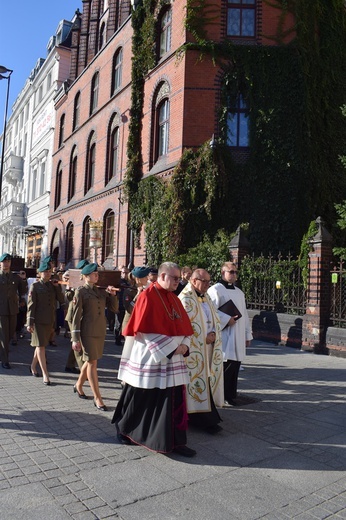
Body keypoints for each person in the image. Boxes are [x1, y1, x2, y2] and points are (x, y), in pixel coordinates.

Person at [111, 261, 196, 457]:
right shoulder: (147, 296)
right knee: (142, 397)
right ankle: (125, 429)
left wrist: (185, 346)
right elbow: (145, 329)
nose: (178, 281)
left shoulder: (174, 298)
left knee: (172, 400)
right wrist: (174, 349)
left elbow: (185, 326)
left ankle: (174, 440)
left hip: (173, 357)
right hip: (151, 357)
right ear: (163, 276)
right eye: (175, 278)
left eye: (179, 278)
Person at [179, 268, 224, 433]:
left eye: (209, 281)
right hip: (195, 351)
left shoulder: (207, 297)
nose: (207, 285)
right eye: (204, 281)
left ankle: (205, 416)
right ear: (193, 280)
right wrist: (202, 338)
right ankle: (202, 419)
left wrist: (213, 333)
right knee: (197, 383)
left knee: (205, 380)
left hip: (208, 347)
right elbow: (184, 327)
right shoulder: (184, 299)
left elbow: (214, 319)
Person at [71, 263, 119, 410]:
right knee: (92, 362)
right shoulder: (81, 292)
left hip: (100, 331)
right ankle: (98, 397)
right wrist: (75, 338)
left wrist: (113, 296)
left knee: (91, 359)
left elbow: (114, 309)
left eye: (97, 274)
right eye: (93, 274)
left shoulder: (101, 292)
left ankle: (78, 384)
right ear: (86, 276)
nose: (97, 276)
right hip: (87, 332)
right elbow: (76, 316)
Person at [208, 262, 252, 406]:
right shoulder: (215, 290)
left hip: (238, 335)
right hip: (225, 334)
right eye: (230, 272)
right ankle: (221, 395)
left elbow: (244, 315)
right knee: (226, 366)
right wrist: (227, 320)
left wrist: (247, 335)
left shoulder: (239, 292)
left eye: (235, 272)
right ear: (222, 273)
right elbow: (210, 312)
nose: (233, 275)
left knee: (235, 365)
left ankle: (231, 394)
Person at [26, 259, 65, 384]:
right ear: (39, 273)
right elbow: (31, 305)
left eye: (49, 271)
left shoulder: (52, 285)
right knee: (41, 346)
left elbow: (60, 299)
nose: (47, 274)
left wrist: (57, 286)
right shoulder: (35, 286)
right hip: (38, 320)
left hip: (49, 319)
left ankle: (32, 366)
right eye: (45, 272)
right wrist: (29, 322)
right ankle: (45, 374)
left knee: (40, 345)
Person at [0, 254, 28, 369]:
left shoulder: (15, 277)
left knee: (10, 334)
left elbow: (23, 291)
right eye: (4, 262)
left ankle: (2, 354)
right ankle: (5, 360)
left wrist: (24, 279)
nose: (6, 264)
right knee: (3, 336)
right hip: (1, 310)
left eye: (8, 261)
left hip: (12, 310)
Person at [64, 260, 89, 373]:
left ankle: (69, 365)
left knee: (75, 341)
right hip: (73, 316)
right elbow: (69, 298)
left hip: (83, 315)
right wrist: (69, 287)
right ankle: (84, 371)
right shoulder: (75, 280)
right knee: (77, 342)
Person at [121, 266, 150, 333]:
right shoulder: (129, 291)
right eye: (145, 277)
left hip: (141, 323)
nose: (147, 279)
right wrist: (137, 295)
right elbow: (129, 309)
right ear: (138, 279)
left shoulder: (147, 290)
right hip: (131, 323)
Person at [114, 266, 131, 346]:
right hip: (119, 304)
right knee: (118, 323)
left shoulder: (129, 282)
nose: (125, 274)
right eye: (123, 272)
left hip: (126, 305)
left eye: (127, 273)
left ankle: (122, 337)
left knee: (125, 323)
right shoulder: (118, 282)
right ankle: (117, 339)